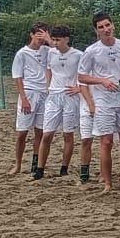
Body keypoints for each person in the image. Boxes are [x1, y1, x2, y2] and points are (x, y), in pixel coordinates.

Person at [76, 12, 120, 191]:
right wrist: (102, 81)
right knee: (106, 141)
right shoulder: (91, 51)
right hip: (103, 101)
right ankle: (107, 182)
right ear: (96, 30)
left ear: (113, 25)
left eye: (107, 25)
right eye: (101, 27)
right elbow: (82, 76)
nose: (106, 29)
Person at [39, 25, 85, 178]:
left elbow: (85, 74)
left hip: (70, 97)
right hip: (53, 96)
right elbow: (49, 70)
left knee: (68, 135)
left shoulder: (78, 55)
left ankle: (64, 168)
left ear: (67, 39)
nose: (55, 43)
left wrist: (79, 89)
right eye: (53, 40)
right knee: (47, 134)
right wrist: (48, 86)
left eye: (58, 40)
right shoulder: (51, 53)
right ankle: (39, 169)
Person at [8, 22, 50, 176]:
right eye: (38, 34)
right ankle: (18, 164)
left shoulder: (48, 50)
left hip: (44, 94)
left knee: (40, 132)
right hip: (29, 92)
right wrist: (24, 97)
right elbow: (18, 77)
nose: (41, 38)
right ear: (31, 35)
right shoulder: (22, 53)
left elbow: (60, 51)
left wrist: (49, 40)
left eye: (44, 34)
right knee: (22, 133)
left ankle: (35, 164)